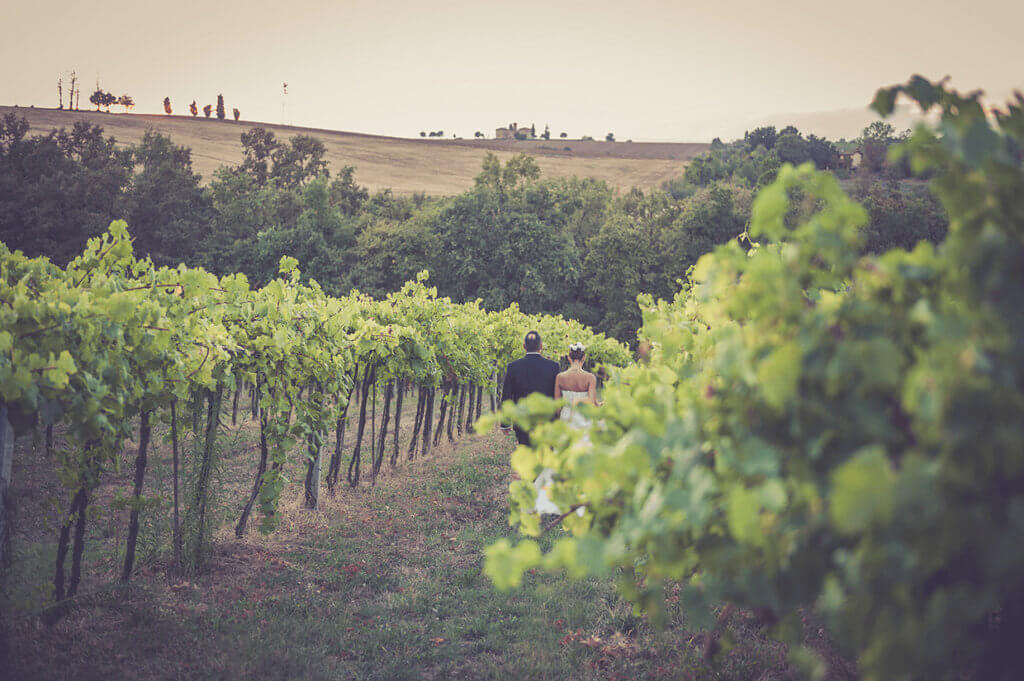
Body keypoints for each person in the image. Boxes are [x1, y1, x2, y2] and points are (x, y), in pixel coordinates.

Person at [499, 330, 560, 446]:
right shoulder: (554, 367)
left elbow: (507, 396)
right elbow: (557, 395)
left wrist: (505, 423)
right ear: (541, 346)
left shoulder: (513, 367)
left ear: (524, 346)